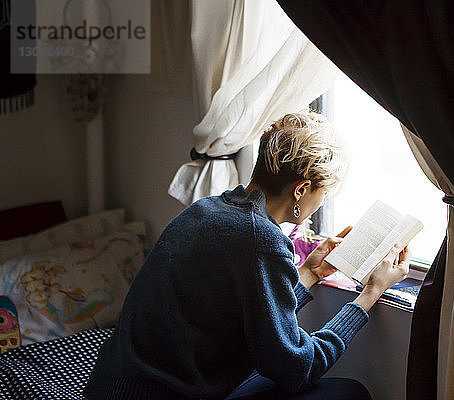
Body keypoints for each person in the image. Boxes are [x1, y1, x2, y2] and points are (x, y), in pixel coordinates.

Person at [83, 112, 411, 400]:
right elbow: (297, 366)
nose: (322, 203)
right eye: (323, 194)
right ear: (301, 190)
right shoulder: (262, 240)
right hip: (161, 395)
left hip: (111, 386)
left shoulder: (207, 209)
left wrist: (309, 273)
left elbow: (252, 317)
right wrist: (370, 294)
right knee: (351, 392)